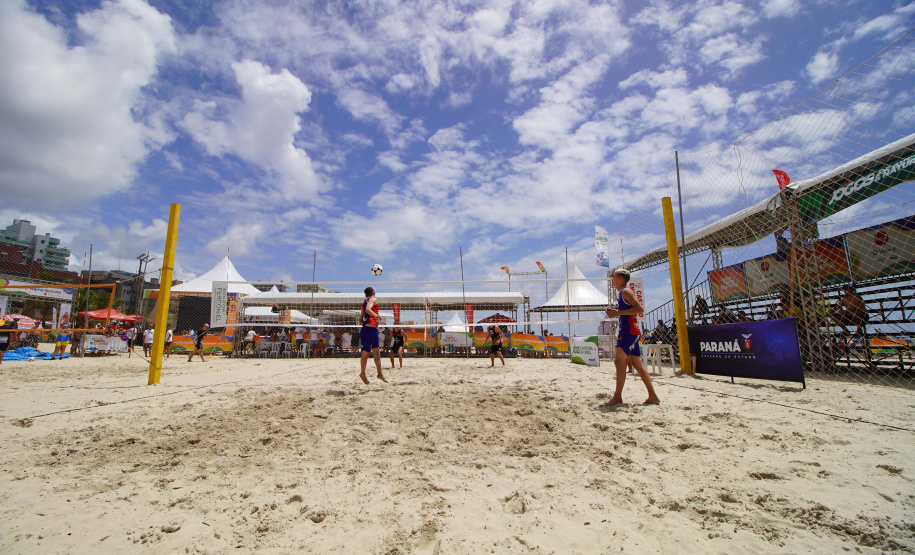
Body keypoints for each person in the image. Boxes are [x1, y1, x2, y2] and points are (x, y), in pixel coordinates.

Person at [604, 268, 660, 407]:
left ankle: (617, 397)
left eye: (614, 277)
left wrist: (618, 313)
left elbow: (640, 309)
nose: (612, 279)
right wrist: (617, 313)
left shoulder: (626, 291)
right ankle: (653, 396)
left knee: (619, 362)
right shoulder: (622, 293)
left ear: (620, 279)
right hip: (631, 330)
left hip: (628, 331)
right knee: (637, 364)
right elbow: (629, 311)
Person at [359, 287, 387, 384]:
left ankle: (380, 374)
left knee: (376, 352)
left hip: (372, 330)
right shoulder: (373, 299)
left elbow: (360, 319)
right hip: (368, 331)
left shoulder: (364, 302)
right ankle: (362, 373)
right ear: (374, 293)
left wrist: (369, 319)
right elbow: (368, 309)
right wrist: (375, 315)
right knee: (366, 353)